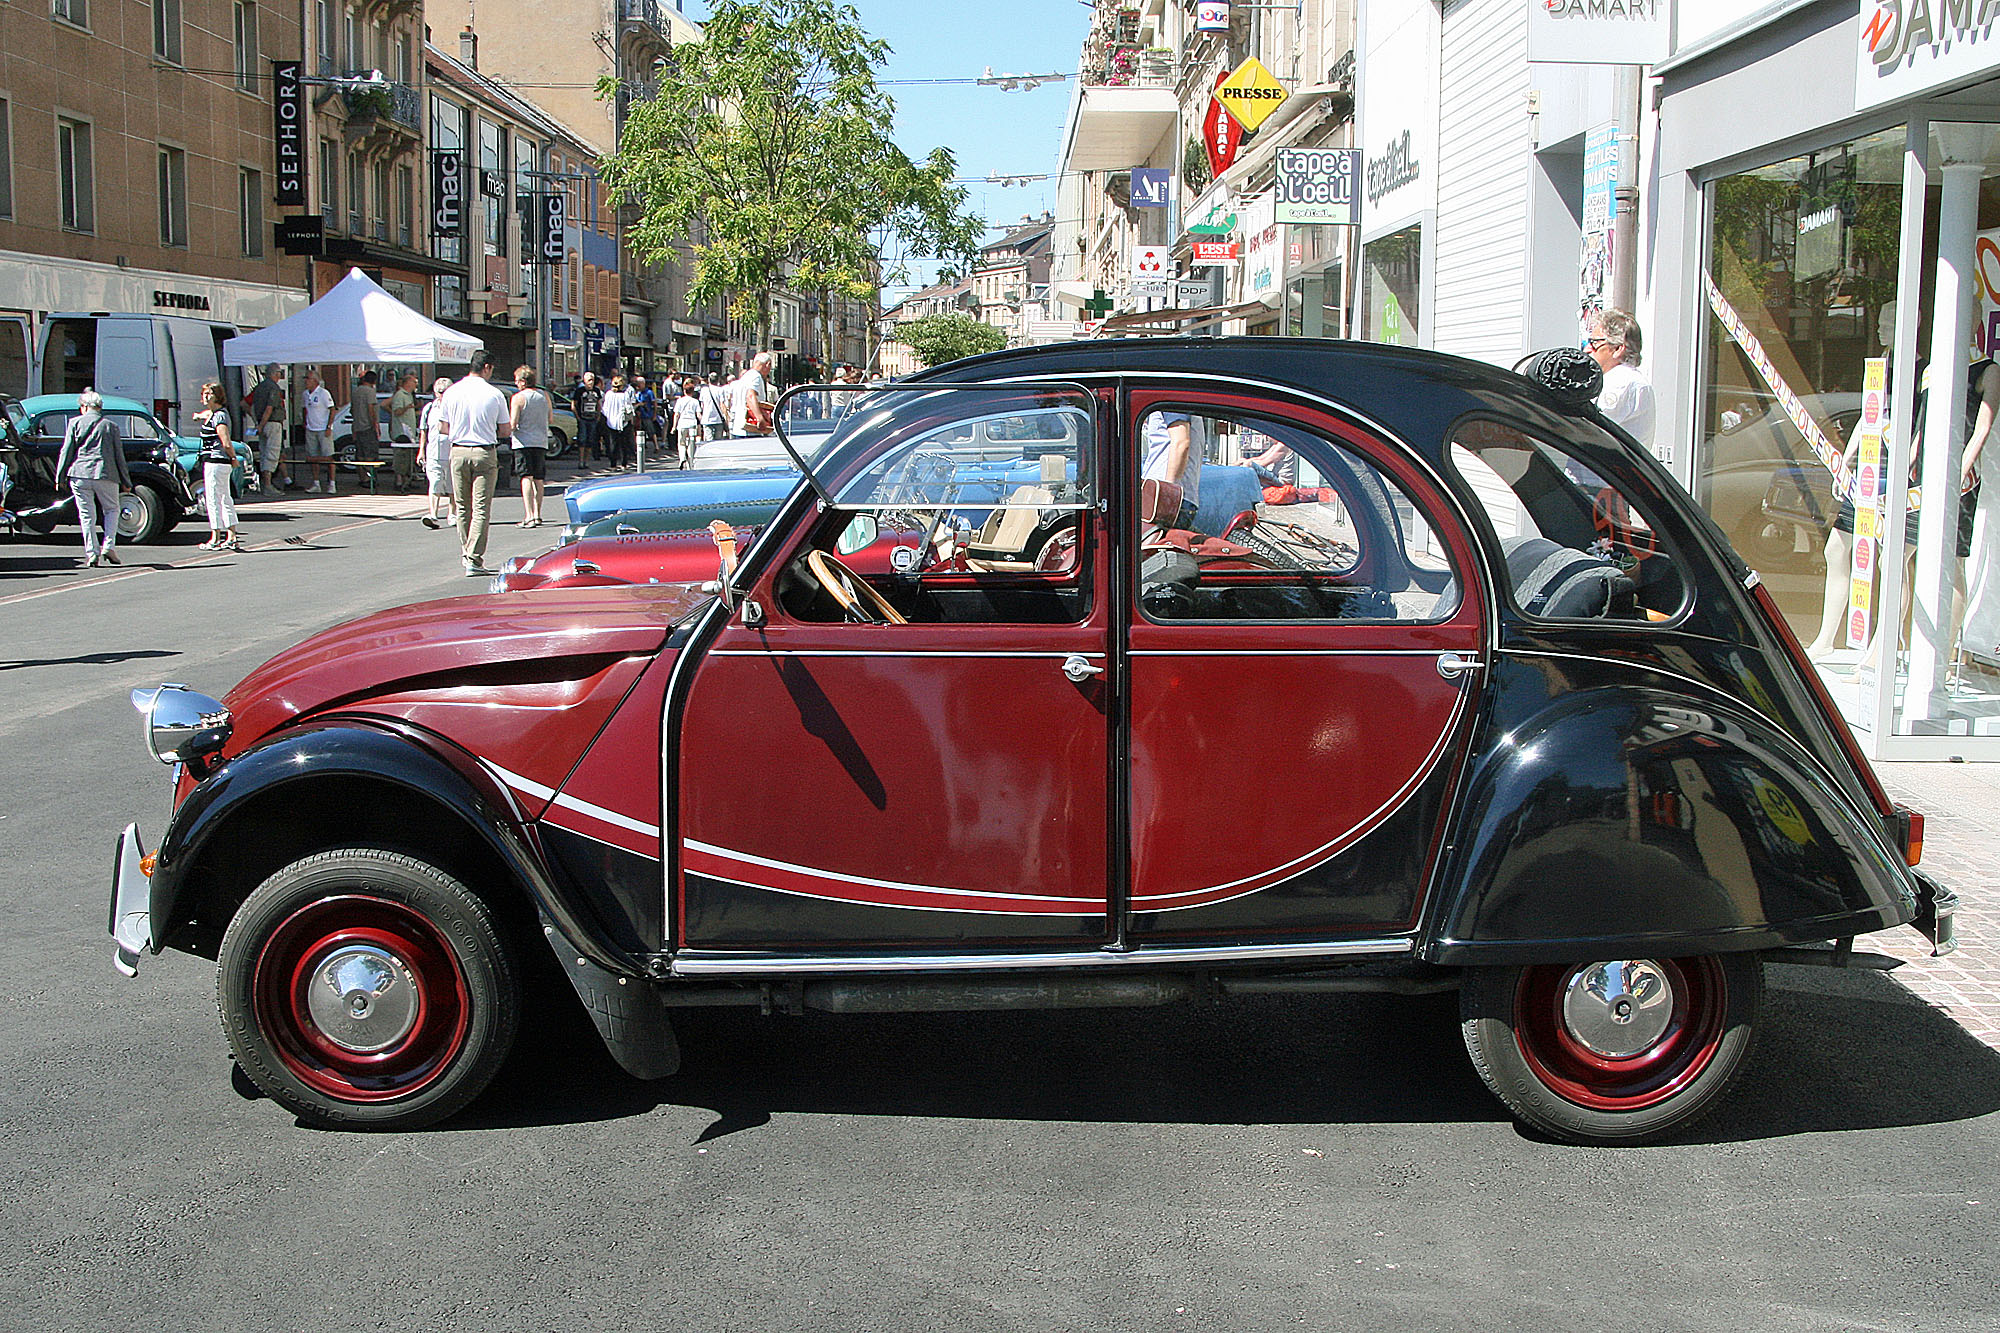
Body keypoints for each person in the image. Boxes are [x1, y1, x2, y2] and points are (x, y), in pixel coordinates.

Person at [438, 353, 512, 576]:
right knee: (481, 508)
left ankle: (466, 552)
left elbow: (443, 427)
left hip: (458, 450)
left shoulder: (452, 392)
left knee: (462, 506)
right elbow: (505, 430)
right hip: (484, 451)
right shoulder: (494, 394)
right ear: (487, 368)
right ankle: (474, 558)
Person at [55, 388, 131, 568]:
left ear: (84, 406)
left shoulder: (74, 423)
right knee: (111, 509)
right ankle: (109, 545)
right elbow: (119, 456)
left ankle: (91, 552)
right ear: (99, 407)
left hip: (79, 473)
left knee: (86, 515)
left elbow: (66, 451)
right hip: (106, 473)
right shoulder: (110, 426)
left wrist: (60, 475)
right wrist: (126, 481)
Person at [1588, 310, 1658, 455]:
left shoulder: (1622, 382)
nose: (1588, 349)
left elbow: (1586, 428)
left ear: (1618, 349)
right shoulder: (1619, 379)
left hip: (1601, 474)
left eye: (1594, 343)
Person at [193, 381, 242, 552]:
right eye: (204, 394)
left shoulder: (219, 416)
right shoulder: (215, 414)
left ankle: (215, 536)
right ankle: (232, 536)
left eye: (209, 394)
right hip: (219, 462)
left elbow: (225, 440)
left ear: (218, 396)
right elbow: (207, 413)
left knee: (213, 499)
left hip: (216, 461)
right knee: (224, 498)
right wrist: (198, 416)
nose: (206, 397)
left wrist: (233, 456)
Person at [1141, 408, 1204, 531]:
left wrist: (1168, 493)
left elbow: (1181, 442)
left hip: (1163, 499)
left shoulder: (1168, 397)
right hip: (1172, 499)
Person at [510, 364, 551, 528]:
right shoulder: (544, 395)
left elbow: (513, 423)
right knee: (539, 479)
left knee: (526, 477)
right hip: (541, 441)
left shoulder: (518, 398)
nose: (515, 383)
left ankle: (529, 515)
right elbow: (551, 419)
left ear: (522, 381)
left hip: (523, 441)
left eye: (516, 380)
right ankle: (538, 514)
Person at [420, 375, 454, 529]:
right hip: (433, 451)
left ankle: (452, 513)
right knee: (434, 483)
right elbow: (423, 431)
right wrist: (421, 451)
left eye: (444, 391)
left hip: (452, 451)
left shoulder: (454, 407)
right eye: (439, 391)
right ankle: (433, 514)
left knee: (452, 484)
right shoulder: (429, 408)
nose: (441, 394)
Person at [247, 364, 286, 494]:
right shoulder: (273, 388)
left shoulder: (259, 387)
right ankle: (268, 485)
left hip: (261, 424)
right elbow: (269, 408)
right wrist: (262, 424)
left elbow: (245, 404)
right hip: (272, 423)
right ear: (275, 374)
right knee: (272, 453)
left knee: (264, 453)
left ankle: (265, 483)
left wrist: (256, 422)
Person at [299, 368, 336, 493]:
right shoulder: (305, 394)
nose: (306, 381)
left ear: (315, 381)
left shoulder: (324, 393)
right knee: (312, 456)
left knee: (328, 456)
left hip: (323, 428)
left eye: (308, 379)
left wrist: (329, 426)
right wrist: (305, 422)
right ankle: (316, 483)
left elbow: (332, 409)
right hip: (311, 429)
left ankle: (332, 483)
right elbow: (305, 408)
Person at [388, 371, 421, 493]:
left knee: (409, 459)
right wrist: (407, 407)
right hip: (401, 433)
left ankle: (408, 480)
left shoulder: (409, 395)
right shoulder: (400, 395)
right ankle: (399, 481)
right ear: (407, 383)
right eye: (414, 382)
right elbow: (396, 411)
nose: (415, 384)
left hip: (410, 433)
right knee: (401, 458)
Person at [600, 373, 636, 469]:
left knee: (612, 443)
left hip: (610, 422)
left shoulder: (608, 394)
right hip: (623, 422)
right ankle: (624, 463)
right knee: (624, 444)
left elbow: (604, 409)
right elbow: (629, 409)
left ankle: (613, 464)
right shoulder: (624, 396)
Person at [350, 369, 381, 465]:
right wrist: (375, 425)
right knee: (370, 454)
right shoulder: (370, 392)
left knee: (360, 454)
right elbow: (370, 408)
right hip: (368, 427)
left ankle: (362, 478)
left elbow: (352, 410)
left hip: (357, 427)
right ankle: (369, 477)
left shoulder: (355, 391)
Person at [574, 371, 604, 465]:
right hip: (583, 418)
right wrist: (578, 417)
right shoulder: (580, 391)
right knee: (582, 440)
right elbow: (573, 404)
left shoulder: (596, 391)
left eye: (592, 380)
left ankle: (586, 461)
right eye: (589, 380)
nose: (591, 382)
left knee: (590, 440)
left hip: (593, 418)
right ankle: (581, 461)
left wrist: (598, 415)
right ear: (585, 381)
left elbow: (598, 404)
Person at [672, 379, 701, 465]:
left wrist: (674, 426)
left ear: (684, 390)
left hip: (682, 423)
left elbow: (677, 414)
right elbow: (698, 414)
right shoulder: (695, 401)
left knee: (682, 443)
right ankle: (690, 458)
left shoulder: (680, 401)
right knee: (691, 442)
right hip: (692, 423)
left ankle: (682, 458)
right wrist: (701, 423)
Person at [698, 371, 730, 442]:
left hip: (707, 419)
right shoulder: (720, 390)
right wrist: (726, 417)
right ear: (718, 380)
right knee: (718, 441)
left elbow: (702, 406)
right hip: (718, 419)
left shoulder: (704, 390)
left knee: (708, 441)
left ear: (709, 380)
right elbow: (722, 405)